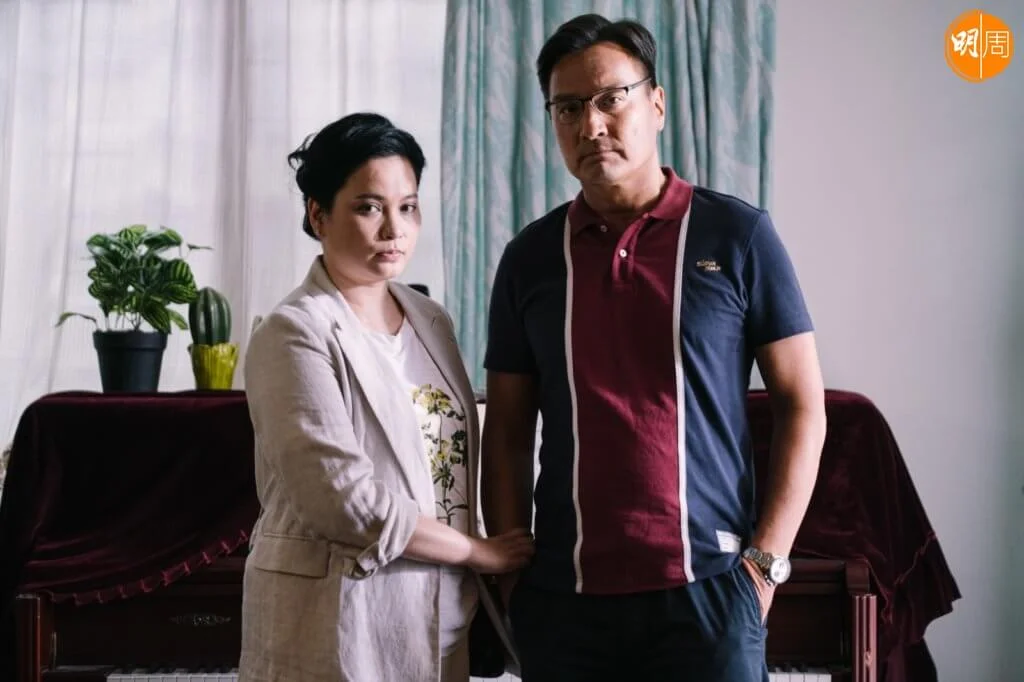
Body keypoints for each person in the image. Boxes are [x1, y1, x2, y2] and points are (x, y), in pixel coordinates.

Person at [481, 14, 827, 682]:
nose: (591, 125)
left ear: (657, 104)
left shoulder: (737, 235)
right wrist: (513, 581)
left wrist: (765, 565)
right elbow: (508, 432)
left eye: (611, 99)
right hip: (564, 602)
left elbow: (803, 405)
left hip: (710, 591)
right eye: (568, 108)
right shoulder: (529, 259)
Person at [239, 112, 534, 682]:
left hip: (443, 623)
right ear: (318, 214)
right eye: (369, 207)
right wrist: (481, 551)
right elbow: (342, 501)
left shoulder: (431, 319)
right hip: (342, 620)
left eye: (408, 206)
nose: (394, 229)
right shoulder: (293, 332)